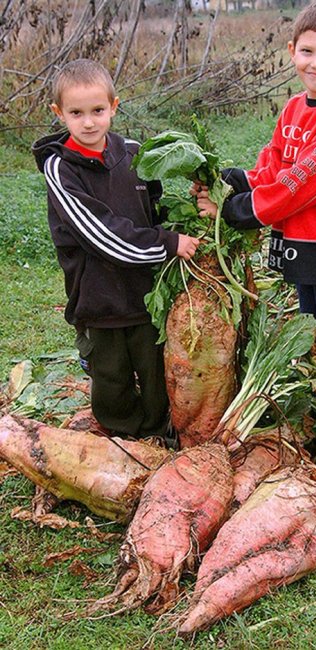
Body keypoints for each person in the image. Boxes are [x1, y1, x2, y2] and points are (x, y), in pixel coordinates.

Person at [194, 0, 316, 490]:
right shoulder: (295, 108)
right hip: (305, 252)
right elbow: (275, 165)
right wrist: (237, 181)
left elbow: (301, 183)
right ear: (291, 51)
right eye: (307, 51)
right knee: (315, 349)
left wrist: (237, 211)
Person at [32, 58, 200, 444]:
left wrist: (187, 213)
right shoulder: (62, 169)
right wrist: (168, 244)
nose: (89, 122)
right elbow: (103, 236)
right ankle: (124, 435)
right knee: (112, 377)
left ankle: (160, 431)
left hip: (145, 296)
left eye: (97, 111)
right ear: (60, 114)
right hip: (98, 298)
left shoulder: (135, 154)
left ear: (114, 106)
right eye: (76, 113)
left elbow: (156, 209)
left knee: (155, 369)